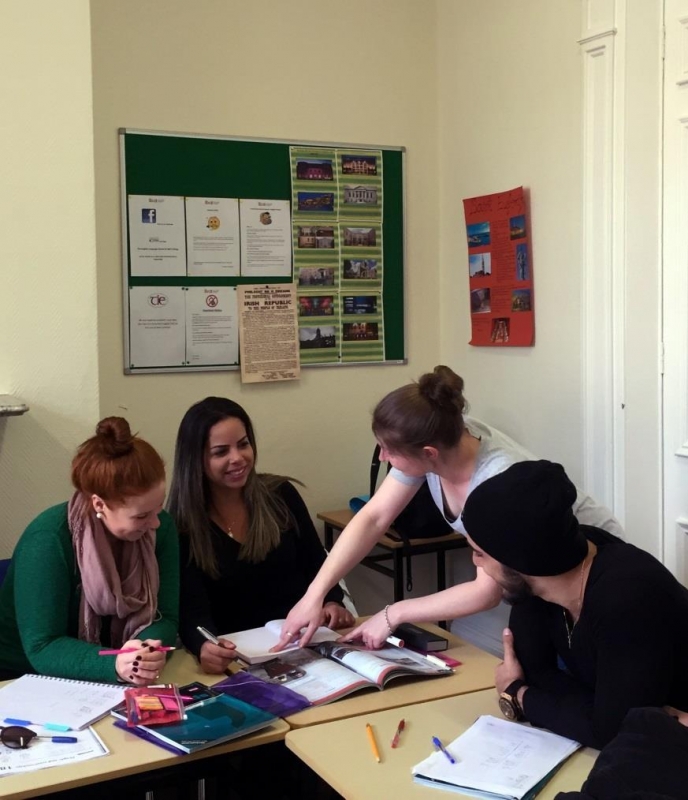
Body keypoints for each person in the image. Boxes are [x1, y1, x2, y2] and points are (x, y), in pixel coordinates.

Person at [276, 366, 622, 654]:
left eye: (387, 450)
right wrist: (313, 596)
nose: (382, 457)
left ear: (428, 453)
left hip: (587, 570)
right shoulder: (442, 437)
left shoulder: (493, 485)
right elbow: (373, 517)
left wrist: (392, 613)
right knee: (474, 646)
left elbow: (487, 592)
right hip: (526, 574)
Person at [461, 459, 688, 749]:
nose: (475, 562)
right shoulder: (540, 578)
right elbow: (534, 673)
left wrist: (519, 695)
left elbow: (615, 733)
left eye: (480, 553)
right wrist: (593, 710)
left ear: (518, 560)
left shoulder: (627, 595)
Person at [168, 396, 354, 675]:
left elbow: (317, 564)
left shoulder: (281, 495)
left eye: (243, 444)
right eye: (221, 452)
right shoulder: (182, 526)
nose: (237, 458)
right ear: (196, 460)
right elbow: (192, 612)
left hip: (307, 645)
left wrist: (332, 603)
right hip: (240, 661)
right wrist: (203, 646)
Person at [0, 417, 179, 684]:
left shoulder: (160, 529)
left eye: (159, 507)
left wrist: (145, 651)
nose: (155, 523)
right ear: (99, 504)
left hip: (112, 677)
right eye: (141, 516)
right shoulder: (48, 540)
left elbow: (166, 616)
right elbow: (42, 645)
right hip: (22, 678)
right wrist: (115, 663)